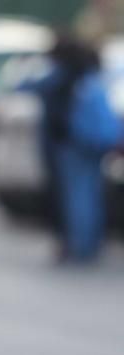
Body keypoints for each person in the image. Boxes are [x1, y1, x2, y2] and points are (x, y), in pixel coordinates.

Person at [22, 33, 122, 263]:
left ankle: (80, 245)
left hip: (72, 144)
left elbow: (28, 88)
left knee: (77, 197)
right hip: (92, 142)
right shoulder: (89, 74)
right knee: (91, 193)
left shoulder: (61, 76)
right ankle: (90, 243)